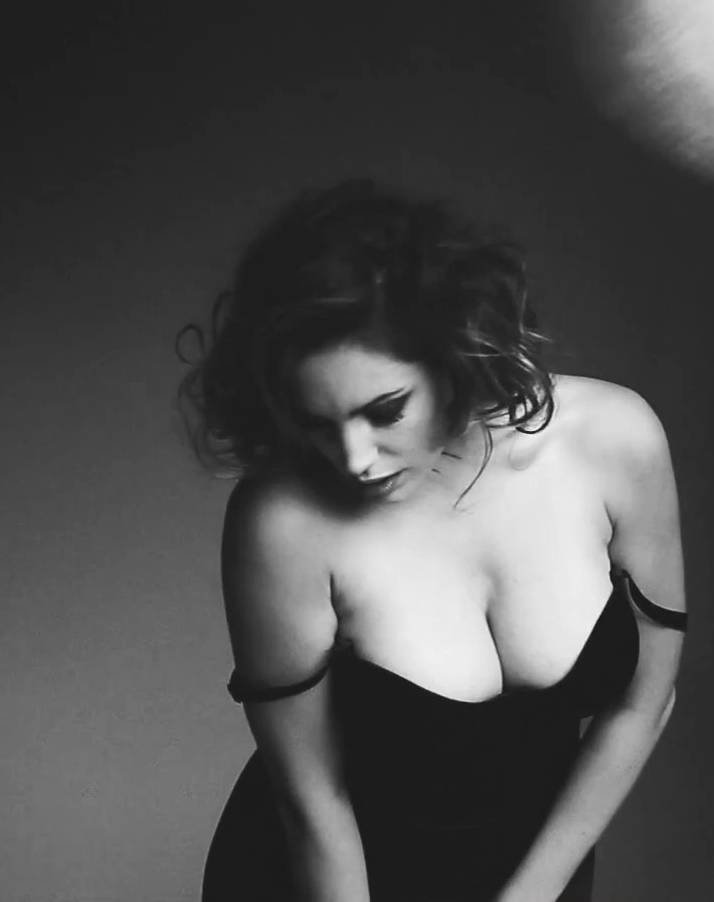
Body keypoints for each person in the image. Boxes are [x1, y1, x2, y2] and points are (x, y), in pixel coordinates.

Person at [177, 179, 687, 901]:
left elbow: (644, 703)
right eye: (317, 423)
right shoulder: (282, 522)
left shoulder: (614, 440)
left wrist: (532, 895)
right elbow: (311, 804)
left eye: (385, 410)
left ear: (455, 358)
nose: (354, 459)